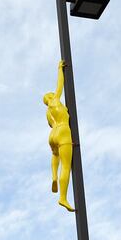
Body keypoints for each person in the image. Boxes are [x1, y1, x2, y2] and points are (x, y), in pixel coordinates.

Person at [44, 60, 74, 212]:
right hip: (63, 130)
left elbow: (50, 124)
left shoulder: (48, 113)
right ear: (50, 97)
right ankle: (63, 197)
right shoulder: (55, 101)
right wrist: (59, 69)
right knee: (67, 166)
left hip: (52, 134)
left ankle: (54, 176)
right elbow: (60, 86)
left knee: (55, 154)